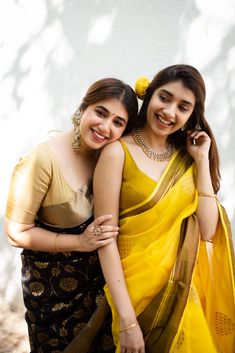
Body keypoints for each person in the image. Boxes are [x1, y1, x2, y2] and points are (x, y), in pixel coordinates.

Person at [93, 65, 235, 353]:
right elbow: (105, 240)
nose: (170, 112)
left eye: (183, 107)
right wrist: (127, 321)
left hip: (182, 291)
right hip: (133, 294)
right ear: (150, 95)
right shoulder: (117, 153)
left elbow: (208, 231)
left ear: (191, 116)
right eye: (165, 98)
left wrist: (202, 161)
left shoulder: (186, 161)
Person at [4, 77, 138, 353]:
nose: (105, 127)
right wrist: (79, 243)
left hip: (99, 289)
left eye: (118, 122)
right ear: (83, 107)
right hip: (52, 295)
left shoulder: (108, 157)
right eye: (101, 113)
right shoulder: (42, 160)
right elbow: (15, 231)